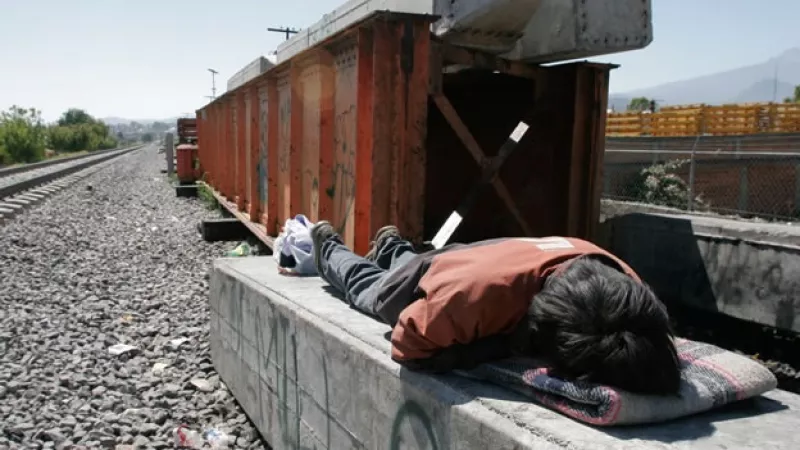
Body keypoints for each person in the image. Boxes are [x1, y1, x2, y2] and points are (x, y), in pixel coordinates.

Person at [310, 221, 681, 395]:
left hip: (490, 256)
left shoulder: (624, 284)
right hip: (456, 271)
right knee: (369, 291)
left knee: (411, 264)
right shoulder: (467, 301)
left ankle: (391, 244)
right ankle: (327, 245)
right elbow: (408, 345)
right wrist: (494, 349)